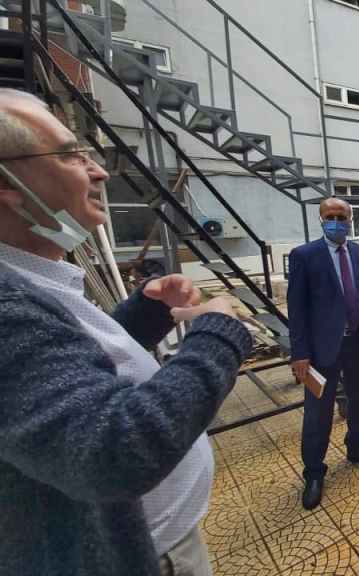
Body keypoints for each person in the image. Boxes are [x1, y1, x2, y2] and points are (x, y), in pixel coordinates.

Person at [0, 89, 253, 575]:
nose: (98, 172)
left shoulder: (34, 278)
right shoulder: (7, 306)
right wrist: (218, 333)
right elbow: (112, 451)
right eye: (70, 155)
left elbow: (67, 373)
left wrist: (145, 317)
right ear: (6, 183)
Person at [288, 197, 359, 511]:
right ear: (321, 219)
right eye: (330, 216)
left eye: (342, 216)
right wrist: (300, 353)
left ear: (350, 219)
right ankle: (314, 472)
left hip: (358, 342)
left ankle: (356, 448)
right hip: (320, 350)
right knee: (318, 412)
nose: (337, 221)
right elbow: (297, 309)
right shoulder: (304, 256)